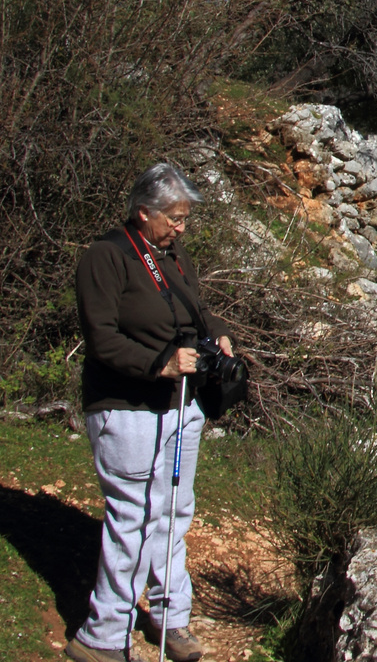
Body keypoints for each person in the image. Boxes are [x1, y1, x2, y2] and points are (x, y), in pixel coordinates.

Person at [66, 164, 234, 662]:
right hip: (127, 406)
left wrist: (220, 335)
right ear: (144, 212)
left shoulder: (173, 255)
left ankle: (170, 618)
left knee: (174, 510)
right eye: (175, 218)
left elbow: (196, 313)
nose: (182, 227)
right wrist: (159, 365)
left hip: (182, 404)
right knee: (133, 517)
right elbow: (100, 339)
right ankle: (102, 636)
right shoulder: (104, 257)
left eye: (184, 218)